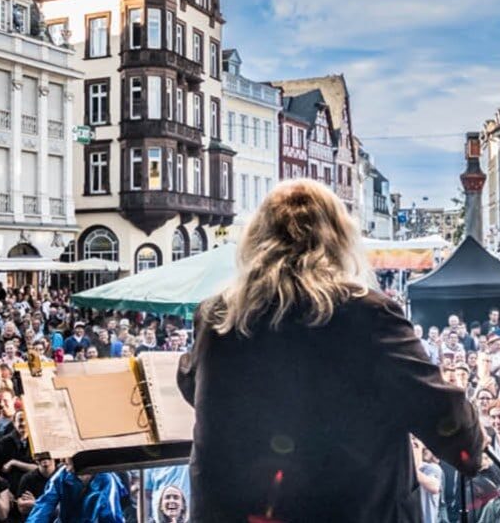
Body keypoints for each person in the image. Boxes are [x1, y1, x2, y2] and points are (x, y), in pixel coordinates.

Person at [176, 180, 484, 521]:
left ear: (255, 240)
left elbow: (191, 383)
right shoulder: (367, 315)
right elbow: (448, 421)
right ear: (339, 240)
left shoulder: (218, 316)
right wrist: (471, 440)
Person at [27, 451, 128, 523]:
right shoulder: (61, 476)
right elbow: (45, 505)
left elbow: (111, 516)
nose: (64, 461)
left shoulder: (106, 480)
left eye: (69, 459)